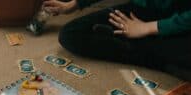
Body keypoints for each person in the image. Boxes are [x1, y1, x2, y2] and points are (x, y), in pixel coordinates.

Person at [42, 0, 191, 80]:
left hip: (181, 21)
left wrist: (147, 28)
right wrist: (73, 5)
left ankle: (155, 53)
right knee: (71, 34)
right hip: (141, 10)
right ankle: (154, 52)